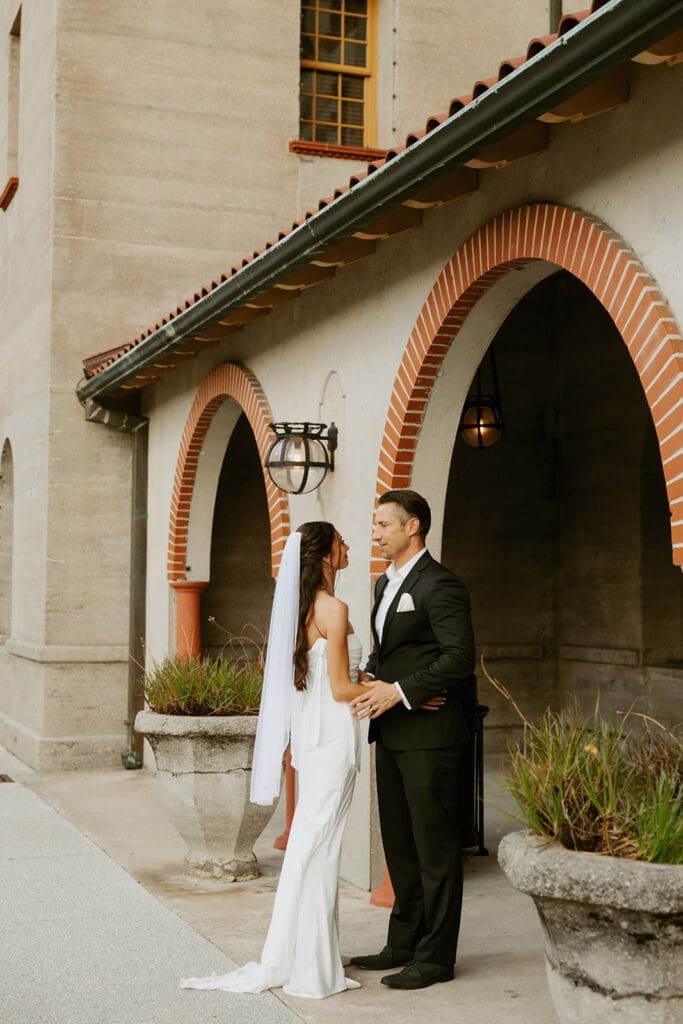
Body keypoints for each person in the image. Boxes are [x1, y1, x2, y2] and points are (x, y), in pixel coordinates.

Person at [181, 522, 363, 999]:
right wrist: (386, 690)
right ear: (325, 555)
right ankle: (309, 966)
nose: (349, 548)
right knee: (319, 849)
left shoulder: (301, 612)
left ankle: (308, 959)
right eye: (341, 542)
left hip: (313, 743)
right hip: (334, 742)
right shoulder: (335, 609)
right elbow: (343, 690)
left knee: (312, 846)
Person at [350, 489, 475, 990]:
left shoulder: (441, 584)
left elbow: (458, 657)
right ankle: (403, 943)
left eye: (383, 525)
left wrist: (403, 689)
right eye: (375, 524)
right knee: (400, 845)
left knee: (436, 849)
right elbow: (390, 653)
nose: (375, 533)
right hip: (394, 730)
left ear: (413, 527)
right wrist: (369, 678)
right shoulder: (385, 583)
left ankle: (436, 959)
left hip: (432, 736)